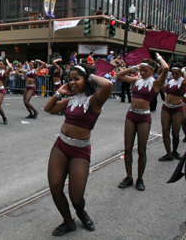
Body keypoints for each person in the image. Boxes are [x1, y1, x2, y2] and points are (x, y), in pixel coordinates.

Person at [44, 63, 113, 236]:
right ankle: (68, 222)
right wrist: (59, 93)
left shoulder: (94, 101)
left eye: (77, 79)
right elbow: (48, 108)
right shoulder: (70, 100)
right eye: (70, 79)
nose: (72, 82)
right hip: (61, 146)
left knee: (76, 197)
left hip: (80, 152)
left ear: (87, 80)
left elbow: (109, 85)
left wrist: (88, 75)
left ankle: (81, 213)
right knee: (55, 187)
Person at [116, 53, 168, 191]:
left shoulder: (156, 83)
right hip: (131, 115)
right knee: (127, 148)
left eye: (145, 70)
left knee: (142, 150)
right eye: (141, 70)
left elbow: (166, 69)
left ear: (153, 70)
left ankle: (140, 178)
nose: (142, 73)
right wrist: (134, 68)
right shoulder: (136, 81)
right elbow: (119, 75)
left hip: (144, 117)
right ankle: (129, 177)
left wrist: (159, 58)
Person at [158, 63, 186, 161]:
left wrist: (183, 71)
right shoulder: (171, 81)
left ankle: (175, 151)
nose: (174, 76)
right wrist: (162, 75)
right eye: (173, 73)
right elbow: (164, 88)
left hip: (177, 109)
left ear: (181, 73)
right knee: (165, 131)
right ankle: (168, 154)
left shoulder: (183, 82)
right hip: (166, 107)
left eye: (176, 74)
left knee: (175, 132)